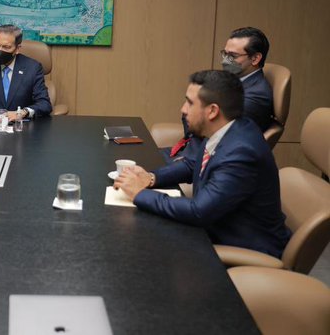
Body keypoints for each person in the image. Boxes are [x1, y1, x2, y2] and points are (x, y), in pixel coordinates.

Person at [115, 70, 290, 257]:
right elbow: (193, 165)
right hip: (215, 226)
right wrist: (151, 178)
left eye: (190, 103)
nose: (183, 109)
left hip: (244, 246)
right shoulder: (227, 128)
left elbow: (198, 211)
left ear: (212, 111)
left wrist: (139, 194)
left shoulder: (241, 152)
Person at [164, 27, 274, 162]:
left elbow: (208, 133)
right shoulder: (233, 81)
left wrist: (195, 114)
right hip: (186, 150)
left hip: (198, 161)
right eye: (225, 54)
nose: (225, 61)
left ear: (255, 58)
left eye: (232, 56)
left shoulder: (256, 96)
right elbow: (192, 119)